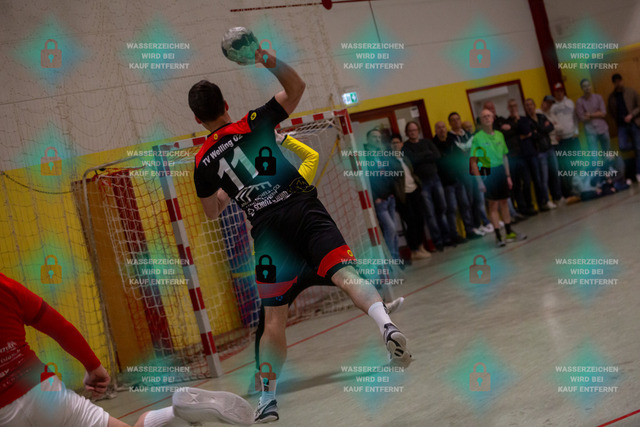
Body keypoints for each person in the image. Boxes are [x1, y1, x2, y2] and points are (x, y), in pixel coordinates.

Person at [189, 47, 412, 423]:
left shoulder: (202, 162)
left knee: (274, 319)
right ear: (226, 104)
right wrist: (262, 56)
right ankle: (385, 325)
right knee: (346, 275)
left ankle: (267, 400)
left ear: (198, 119)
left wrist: (231, 188)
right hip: (302, 208)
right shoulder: (253, 121)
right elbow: (297, 87)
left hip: (267, 231)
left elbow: (212, 211)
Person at [250, 134, 406, 395]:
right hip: (310, 261)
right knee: (350, 277)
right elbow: (312, 156)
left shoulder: (254, 193)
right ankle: (380, 312)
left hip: (289, 267)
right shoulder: (297, 179)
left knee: (270, 319)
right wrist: (284, 138)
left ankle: (263, 379)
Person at [0, 272, 254, 427]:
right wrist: (93, 367)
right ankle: (176, 413)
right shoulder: (6, 286)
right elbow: (61, 328)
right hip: (44, 392)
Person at [470, 109, 527, 247]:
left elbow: (504, 156)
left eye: (489, 116)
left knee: (504, 202)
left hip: (501, 170)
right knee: (493, 205)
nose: (487, 118)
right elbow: (473, 162)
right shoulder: (478, 138)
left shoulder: (500, 135)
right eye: (484, 116)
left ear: (493, 118)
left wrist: (508, 176)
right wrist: (479, 181)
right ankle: (498, 236)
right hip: (488, 172)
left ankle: (509, 232)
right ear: (480, 120)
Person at [401, 121, 450, 251]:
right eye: (410, 131)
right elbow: (412, 160)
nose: (413, 132)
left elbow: (437, 155)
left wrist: (421, 157)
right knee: (430, 213)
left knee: (442, 208)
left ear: (418, 130)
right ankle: (438, 241)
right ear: (407, 133)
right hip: (422, 183)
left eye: (415, 130)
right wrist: (426, 154)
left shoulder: (427, 142)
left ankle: (447, 237)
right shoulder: (406, 147)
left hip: (435, 178)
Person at [389, 135, 431, 260]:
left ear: (402, 144)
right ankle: (413, 250)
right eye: (393, 143)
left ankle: (420, 246)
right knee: (411, 222)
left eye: (397, 142)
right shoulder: (390, 161)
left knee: (420, 219)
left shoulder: (405, 158)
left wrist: (418, 183)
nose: (396, 145)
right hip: (403, 195)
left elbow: (411, 172)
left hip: (414, 190)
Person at [449, 112, 490, 236]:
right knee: (468, 201)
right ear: (450, 123)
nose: (456, 121)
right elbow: (455, 156)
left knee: (478, 199)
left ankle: (479, 224)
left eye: (458, 119)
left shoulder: (468, 135)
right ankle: (471, 227)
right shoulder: (450, 138)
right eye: (453, 120)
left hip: (475, 170)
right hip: (463, 173)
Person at [432, 121, 473, 242]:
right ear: (435, 130)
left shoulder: (451, 141)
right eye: (439, 128)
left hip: (458, 178)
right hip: (446, 182)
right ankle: (454, 234)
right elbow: (438, 161)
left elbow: (459, 156)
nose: (441, 129)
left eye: (443, 127)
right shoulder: (434, 144)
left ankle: (469, 230)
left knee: (465, 205)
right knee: (452, 209)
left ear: (446, 129)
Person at [363, 129, 401, 261]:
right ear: (368, 139)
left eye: (379, 137)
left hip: (390, 197)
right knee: (390, 229)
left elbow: (389, 174)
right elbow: (366, 180)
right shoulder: (365, 156)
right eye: (374, 137)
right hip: (380, 200)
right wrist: (375, 198)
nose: (378, 140)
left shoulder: (382, 154)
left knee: (394, 230)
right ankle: (391, 260)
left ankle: (396, 257)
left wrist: (393, 193)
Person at [524, 98, 559, 210]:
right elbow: (533, 136)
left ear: (534, 105)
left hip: (549, 148)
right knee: (544, 178)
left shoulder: (541, 116)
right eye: (527, 105)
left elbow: (551, 127)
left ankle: (557, 197)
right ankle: (546, 200)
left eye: (531, 104)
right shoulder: (526, 121)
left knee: (555, 173)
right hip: (540, 152)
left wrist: (539, 130)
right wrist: (542, 129)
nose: (529, 107)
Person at [505, 99, 536, 216]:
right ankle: (522, 208)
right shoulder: (506, 122)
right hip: (513, 157)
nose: (513, 108)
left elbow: (527, 132)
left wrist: (517, 121)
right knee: (516, 184)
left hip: (524, 156)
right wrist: (519, 136)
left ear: (517, 107)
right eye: (511, 106)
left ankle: (530, 205)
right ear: (508, 108)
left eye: (514, 106)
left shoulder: (523, 119)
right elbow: (507, 136)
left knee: (527, 182)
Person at [607, 73, 640, 182]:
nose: (618, 83)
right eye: (616, 82)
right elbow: (611, 112)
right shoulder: (612, 97)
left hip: (634, 123)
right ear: (613, 83)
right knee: (622, 146)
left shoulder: (631, 92)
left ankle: (638, 172)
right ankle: (637, 146)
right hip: (622, 126)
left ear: (622, 80)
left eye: (619, 81)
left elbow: (639, 106)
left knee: (638, 149)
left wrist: (631, 115)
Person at [550, 82, 580, 198]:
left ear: (563, 92)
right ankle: (570, 190)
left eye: (561, 91)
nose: (559, 93)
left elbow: (575, 118)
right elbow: (553, 123)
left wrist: (576, 131)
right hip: (562, 141)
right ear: (554, 93)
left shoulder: (570, 103)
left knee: (577, 163)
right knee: (566, 166)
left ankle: (581, 185)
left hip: (573, 138)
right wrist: (556, 135)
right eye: (557, 91)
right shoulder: (553, 108)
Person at [576, 78, 610, 152]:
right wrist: (598, 113)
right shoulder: (579, 101)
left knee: (607, 152)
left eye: (588, 85)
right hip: (590, 131)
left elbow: (603, 113)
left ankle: (609, 160)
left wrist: (590, 115)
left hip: (603, 128)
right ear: (582, 88)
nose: (587, 88)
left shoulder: (598, 97)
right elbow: (582, 118)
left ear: (591, 86)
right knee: (594, 154)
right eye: (584, 86)